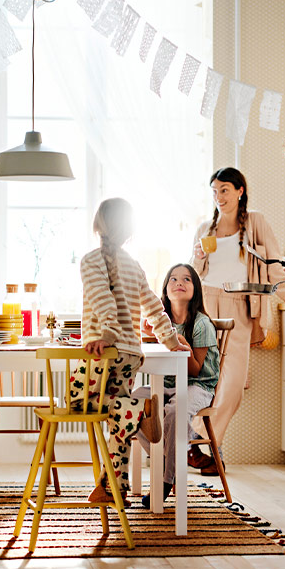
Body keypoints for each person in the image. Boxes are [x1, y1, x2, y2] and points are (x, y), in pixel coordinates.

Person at [73, 198, 192, 506]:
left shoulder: (90, 261)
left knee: (76, 401)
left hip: (106, 350)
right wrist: (168, 338)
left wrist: (109, 332)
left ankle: (140, 412)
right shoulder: (132, 264)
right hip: (129, 354)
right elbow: (153, 304)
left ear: (98, 224)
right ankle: (112, 485)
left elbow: (103, 300)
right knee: (116, 418)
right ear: (128, 231)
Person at [190, 167, 285, 475]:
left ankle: (199, 439)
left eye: (224, 190)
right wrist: (198, 256)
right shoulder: (205, 227)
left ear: (240, 191)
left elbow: (274, 266)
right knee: (206, 382)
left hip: (239, 306)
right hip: (205, 306)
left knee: (234, 384)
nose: (219, 197)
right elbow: (193, 275)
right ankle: (209, 451)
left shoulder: (255, 222)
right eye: (214, 191)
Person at [136, 263, 219, 507]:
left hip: (198, 386)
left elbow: (195, 370)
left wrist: (180, 341)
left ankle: (166, 479)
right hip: (167, 384)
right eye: (173, 279)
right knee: (132, 404)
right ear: (165, 289)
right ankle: (163, 460)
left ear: (196, 289)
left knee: (174, 411)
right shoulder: (161, 323)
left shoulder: (202, 324)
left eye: (186, 279)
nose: (179, 283)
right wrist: (149, 334)